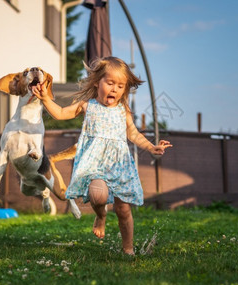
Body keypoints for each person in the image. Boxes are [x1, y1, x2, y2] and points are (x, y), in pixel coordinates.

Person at [31, 56, 172, 255]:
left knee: (123, 210)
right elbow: (61, 113)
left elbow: (133, 134)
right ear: (98, 82)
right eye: (110, 83)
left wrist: (151, 147)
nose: (115, 89)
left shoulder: (124, 111)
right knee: (98, 195)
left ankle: (128, 249)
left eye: (120, 86)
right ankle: (101, 216)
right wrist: (45, 98)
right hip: (95, 164)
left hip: (119, 165)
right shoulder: (87, 106)